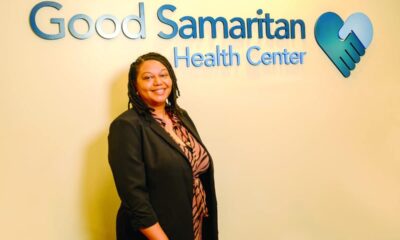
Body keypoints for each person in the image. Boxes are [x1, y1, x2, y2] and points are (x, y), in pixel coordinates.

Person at [108, 52, 218, 240]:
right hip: (157, 234)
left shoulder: (181, 116)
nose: (158, 82)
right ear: (136, 86)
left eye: (163, 75)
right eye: (148, 77)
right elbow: (134, 199)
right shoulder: (126, 126)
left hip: (194, 222)